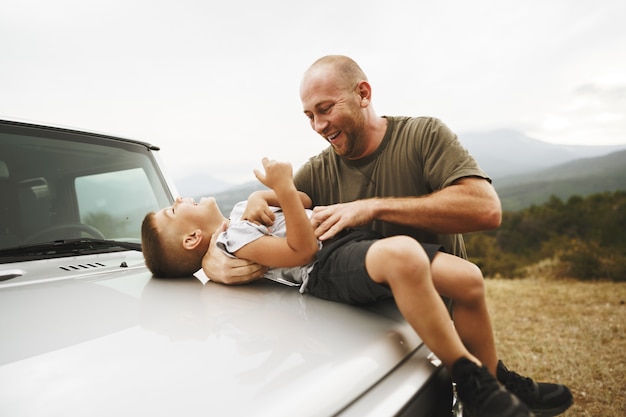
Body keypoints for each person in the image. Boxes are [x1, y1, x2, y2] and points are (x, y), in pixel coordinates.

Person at [199, 55, 573, 417]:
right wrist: (212, 256)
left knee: (465, 281)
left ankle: (492, 380)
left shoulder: (423, 135)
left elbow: (486, 210)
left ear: (363, 94)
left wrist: (372, 207)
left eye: (325, 109)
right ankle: (493, 383)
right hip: (379, 310)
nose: (318, 125)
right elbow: (273, 214)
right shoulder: (320, 169)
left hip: (443, 301)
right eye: (309, 116)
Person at [142, 157, 535, 416]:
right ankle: (468, 377)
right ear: (192, 239)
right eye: (174, 208)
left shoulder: (240, 215)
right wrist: (279, 184)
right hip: (327, 266)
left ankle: (493, 388)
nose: (179, 197)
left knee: (468, 278)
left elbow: (304, 199)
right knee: (403, 256)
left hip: (349, 240)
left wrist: (265, 193)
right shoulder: (233, 245)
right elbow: (301, 250)